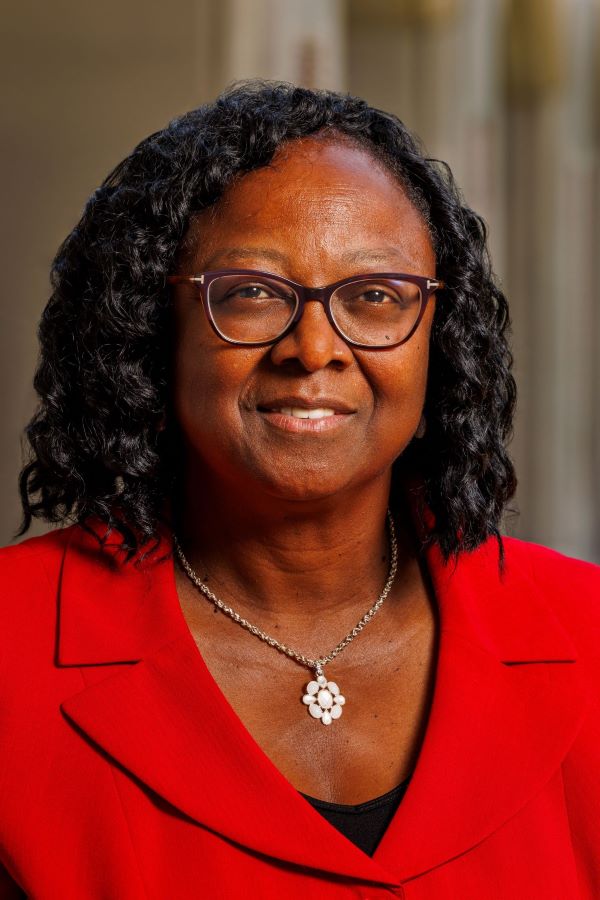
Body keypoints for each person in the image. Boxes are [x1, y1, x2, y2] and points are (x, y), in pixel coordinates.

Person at [0, 81, 598, 900]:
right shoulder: (11, 654)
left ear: (440, 339)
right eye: (251, 293)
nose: (313, 348)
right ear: (151, 327)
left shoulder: (586, 630)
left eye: (375, 296)